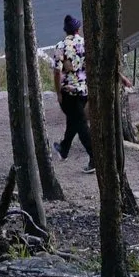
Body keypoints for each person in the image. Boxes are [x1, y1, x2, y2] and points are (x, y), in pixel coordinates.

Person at [52, 12, 92, 164]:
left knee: (80, 124)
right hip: (84, 89)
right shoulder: (85, 43)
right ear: (78, 29)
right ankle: (64, 149)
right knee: (74, 120)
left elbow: (57, 72)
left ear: (66, 31)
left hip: (69, 92)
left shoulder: (60, 47)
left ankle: (94, 156)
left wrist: (58, 93)